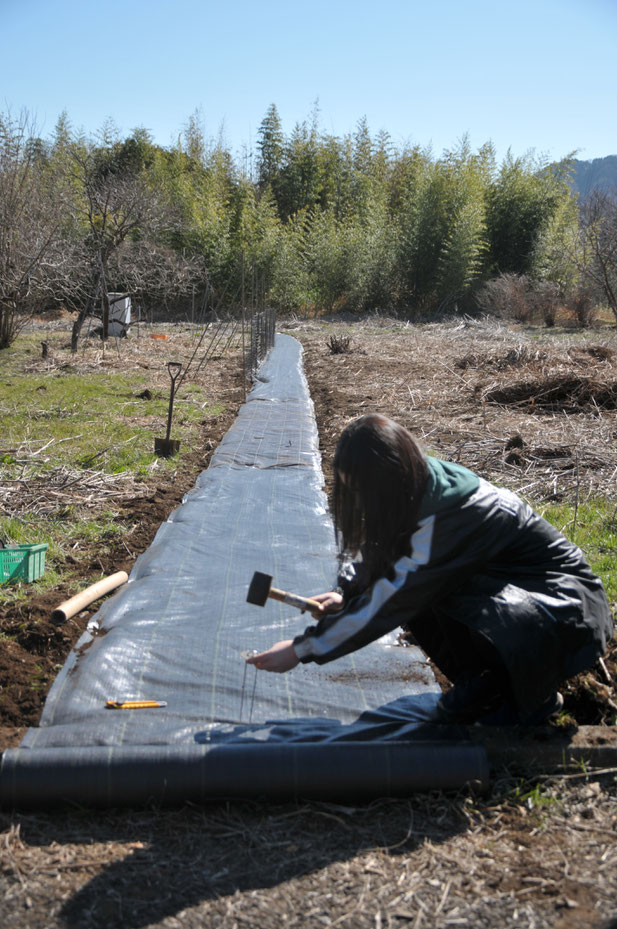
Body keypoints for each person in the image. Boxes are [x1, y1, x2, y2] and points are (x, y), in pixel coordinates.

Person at [247, 414, 613, 725]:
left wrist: (301, 649)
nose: (358, 502)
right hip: (518, 602)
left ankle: (522, 694)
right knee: (424, 592)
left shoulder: (451, 517)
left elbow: (392, 598)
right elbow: (387, 551)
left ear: (388, 479)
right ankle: (485, 679)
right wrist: (346, 592)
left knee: (416, 594)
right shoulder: (415, 485)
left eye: (362, 492)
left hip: (564, 612)